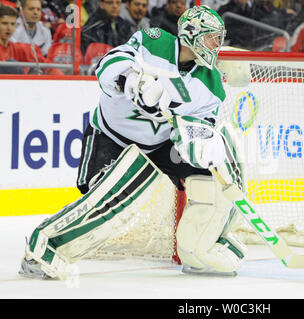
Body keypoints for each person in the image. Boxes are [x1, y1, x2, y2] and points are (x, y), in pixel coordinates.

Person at [18, 5, 247, 280]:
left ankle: (200, 249)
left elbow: (202, 124)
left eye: (218, 38)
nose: (216, 45)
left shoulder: (212, 85)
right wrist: (132, 80)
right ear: (190, 35)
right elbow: (107, 65)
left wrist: (200, 142)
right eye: (211, 37)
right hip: (111, 136)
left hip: (161, 144)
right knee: (114, 200)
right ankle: (42, 249)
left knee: (215, 170)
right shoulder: (154, 42)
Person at [0, 4, 63, 74]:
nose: (9, 28)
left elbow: (48, 66)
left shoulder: (20, 48)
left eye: (12, 24)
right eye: (4, 23)